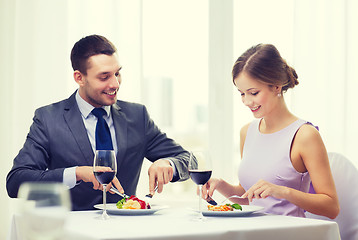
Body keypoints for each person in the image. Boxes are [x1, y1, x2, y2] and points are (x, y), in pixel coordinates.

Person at [6, 34, 191, 211]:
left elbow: (189, 160)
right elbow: (16, 181)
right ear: (79, 78)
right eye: (104, 77)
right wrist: (77, 173)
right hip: (70, 231)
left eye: (117, 73)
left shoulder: (137, 116)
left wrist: (168, 163)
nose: (115, 84)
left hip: (126, 230)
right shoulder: (48, 119)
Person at [202, 44, 339, 219]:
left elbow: (332, 207)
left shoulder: (304, 135)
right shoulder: (247, 132)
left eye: (253, 92)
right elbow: (250, 199)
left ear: (276, 86)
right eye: (241, 93)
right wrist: (221, 185)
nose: (246, 101)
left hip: (289, 233)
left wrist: (283, 191)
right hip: (254, 231)